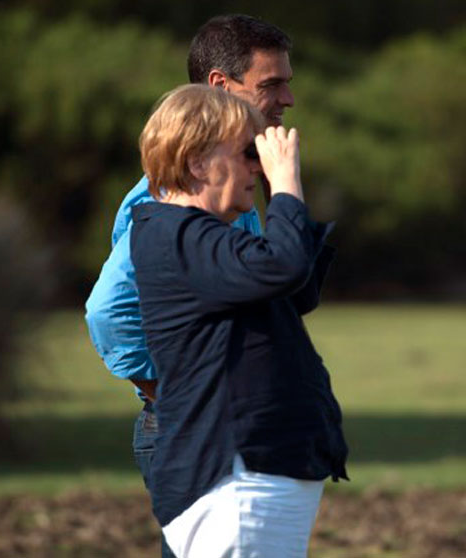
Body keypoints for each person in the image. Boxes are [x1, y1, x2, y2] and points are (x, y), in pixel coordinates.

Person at [85, 14, 296, 558]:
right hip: (192, 427)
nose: (288, 98)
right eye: (271, 84)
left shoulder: (233, 186)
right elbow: (108, 311)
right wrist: (168, 389)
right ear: (222, 87)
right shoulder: (172, 195)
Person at [132, 83, 347, 557]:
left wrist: (279, 189)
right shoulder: (176, 234)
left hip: (251, 482)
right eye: (248, 152)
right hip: (237, 486)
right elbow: (285, 266)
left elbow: (299, 287)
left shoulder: (203, 240)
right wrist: (286, 181)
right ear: (196, 162)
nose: (257, 164)